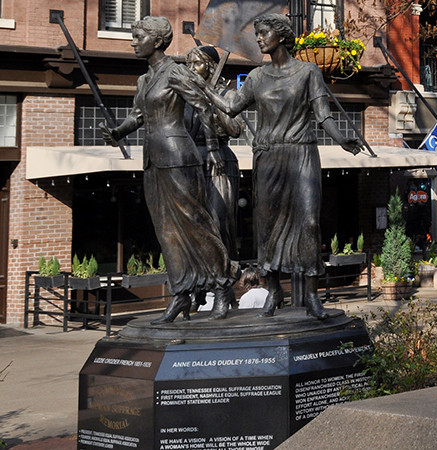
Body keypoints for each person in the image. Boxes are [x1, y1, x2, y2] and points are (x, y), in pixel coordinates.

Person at [203, 13, 363, 320]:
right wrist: (205, 88)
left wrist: (342, 139)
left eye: (263, 33)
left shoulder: (307, 72)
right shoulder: (256, 78)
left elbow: (323, 114)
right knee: (267, 225)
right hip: (268, 156)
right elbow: (232, 106)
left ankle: (313, 295)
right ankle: (274, 289)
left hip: (301, 153)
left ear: (282, 36)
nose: (259, 38)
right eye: (257, 33)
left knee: (310, 222)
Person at [100, 17, 236, 323]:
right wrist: (118, 132)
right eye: (133, 36)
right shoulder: (144, 80)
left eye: (139, 37)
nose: (132, 41)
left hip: (179, 156)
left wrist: (213, 150)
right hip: (153, 159)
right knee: (167, 232)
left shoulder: (176, 72)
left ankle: (222, 286)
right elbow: (137, 116)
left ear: (158, 41)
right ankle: (180, 294)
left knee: (196, 224)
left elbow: (202, 106)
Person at [183, 45, 244, 314]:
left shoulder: (226, 93)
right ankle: (197, 289)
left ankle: (223, 286)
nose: (189, 69)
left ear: (209, 66)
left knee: (219, 225)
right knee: (194, 228)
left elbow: (235, 128)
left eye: (195, 63)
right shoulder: (185, 95)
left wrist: (212, 97)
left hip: (219, 159)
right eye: (187, 63)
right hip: (192, 162)